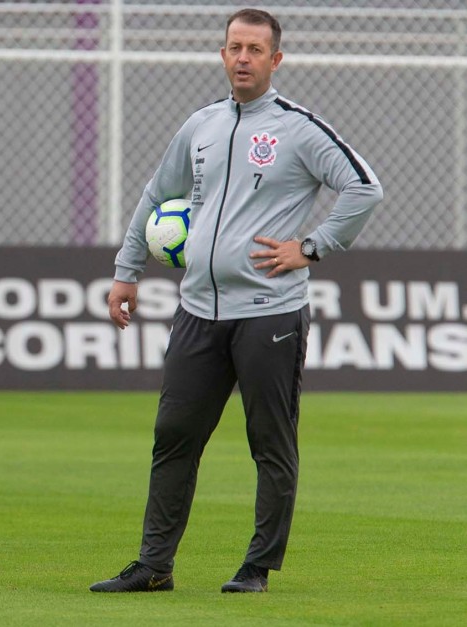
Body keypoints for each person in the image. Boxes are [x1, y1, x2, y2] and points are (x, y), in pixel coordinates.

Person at [90, 8, 382, 594]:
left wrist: (313, 246)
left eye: (255, 49)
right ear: (222, 55)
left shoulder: (298, 128)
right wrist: (126, 271)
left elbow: (364, 186)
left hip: (270, 312)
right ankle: (154, 567)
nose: (243, 58)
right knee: (174, 436)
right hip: (197, 310)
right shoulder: (200, 125)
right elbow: (157, 194)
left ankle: (257, 568)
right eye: (234, 48)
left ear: (276, 60)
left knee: (269, 443)